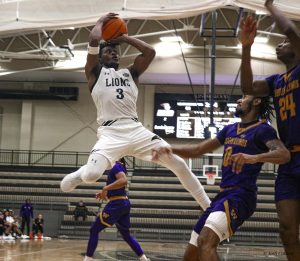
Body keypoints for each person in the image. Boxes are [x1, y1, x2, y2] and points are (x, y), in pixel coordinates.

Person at [60, 13, 210, 211]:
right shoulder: (94, 73)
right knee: (91, 176)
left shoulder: (131, 73)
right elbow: (94, 39)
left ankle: (208, 207)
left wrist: (123, 37)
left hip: (136, 130)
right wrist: (101, 21)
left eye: (116, 51)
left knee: (179, 163)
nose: (115, 54)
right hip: (111, 133)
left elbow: (150, 52)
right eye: (110, 51)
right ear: (101, 57)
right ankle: (80, 174)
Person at [153, 95, 290, 261]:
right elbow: (197, 150)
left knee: (206, 240)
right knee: (191, 255)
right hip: (222, 196)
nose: (239, 100)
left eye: (245, 97)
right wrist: (169, 148)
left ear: (256, 101)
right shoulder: (230, 128)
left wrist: (253, 157)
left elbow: (284, 154)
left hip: (241, 195)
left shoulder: (263, 129)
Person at [239, 1, 300, 260]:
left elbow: (292, 33)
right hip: (288, 162)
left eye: (283, 44)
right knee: (287, 230)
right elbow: (247, 86)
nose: (280, 45)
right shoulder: (277, 81)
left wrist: (270, 6)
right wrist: (246, 47)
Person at [83, 158, 150, 261]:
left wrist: (105, 189)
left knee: (94, 230)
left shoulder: (116, 166)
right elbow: (118, 186)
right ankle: (143, 258)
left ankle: (88, 258)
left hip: (117, 204)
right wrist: (104, 194)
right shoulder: (118, 166)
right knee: (126, 235)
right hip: (123, 203)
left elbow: (123, 181)